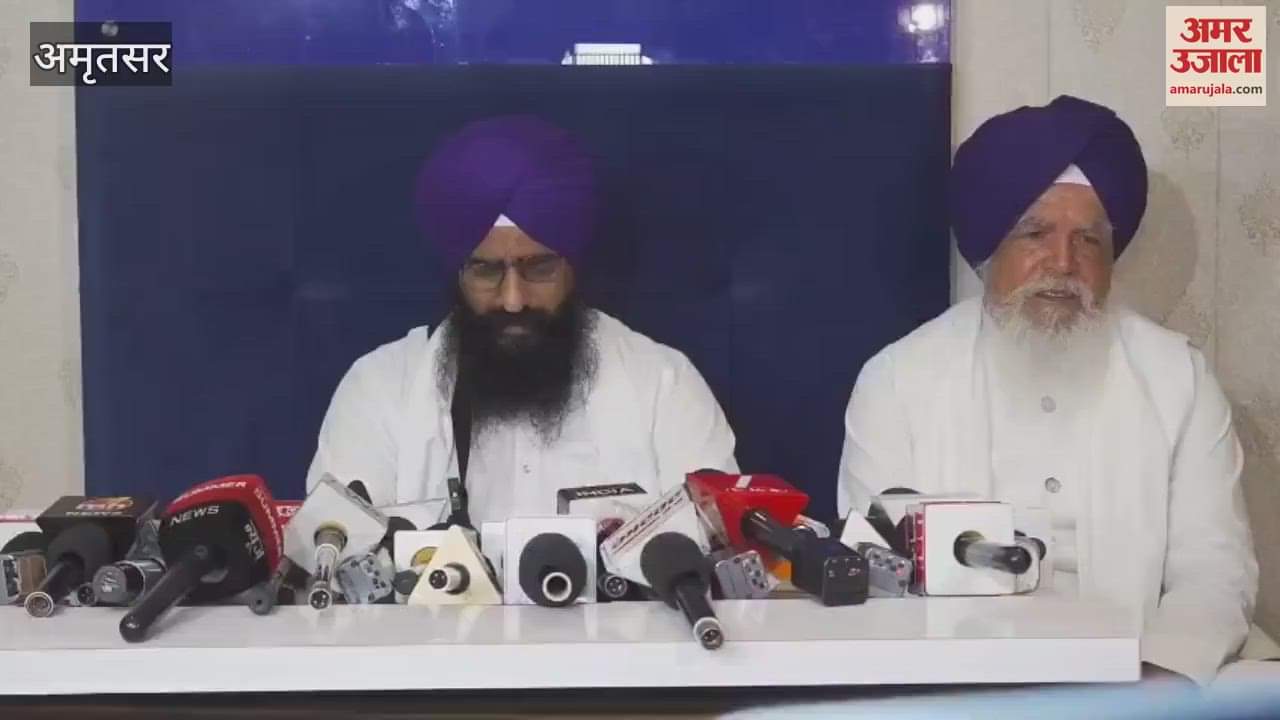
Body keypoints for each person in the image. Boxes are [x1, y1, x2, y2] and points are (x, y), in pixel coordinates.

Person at [837, 96, 1257, 685]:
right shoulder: (898, 381)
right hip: (956, 692)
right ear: (988, 250)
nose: (1063, 262)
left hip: (1141, 690)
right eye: (1034, 232)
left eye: (1089, 240)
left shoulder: (1177, 379)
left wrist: (1156, 685)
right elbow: (880, 577)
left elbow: (1214, 569)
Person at [307, 115, 737, 524]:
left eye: (539, 268)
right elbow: (333, 555)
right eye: (486, 270)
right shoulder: (379, 391)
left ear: (572, 265)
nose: (513, 300)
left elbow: (718, 548)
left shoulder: (663, 386)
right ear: (458, 271)